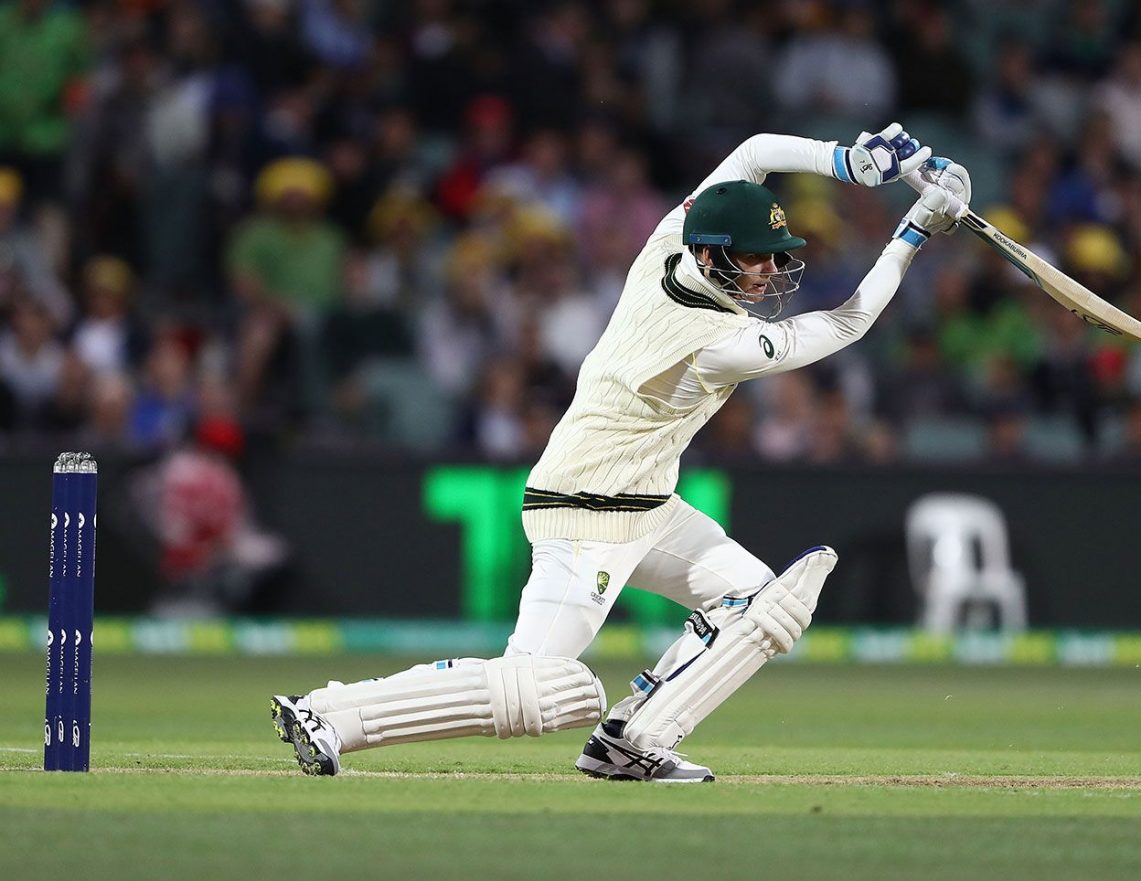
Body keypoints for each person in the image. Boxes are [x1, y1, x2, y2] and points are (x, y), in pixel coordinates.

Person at [269, 125, 970, 780]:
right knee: (542, 686)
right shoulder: (714, 345)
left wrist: (850, 160)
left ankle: (633, 741)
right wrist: (911, 233)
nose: (765, 273)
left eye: (773, 257)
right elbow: (848, 322)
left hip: (648, 504)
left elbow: (756, 150)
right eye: (750, 257)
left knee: (761, 603)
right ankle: (331, 712)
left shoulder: (669, 238)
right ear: (707, 254)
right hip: (582, 513)